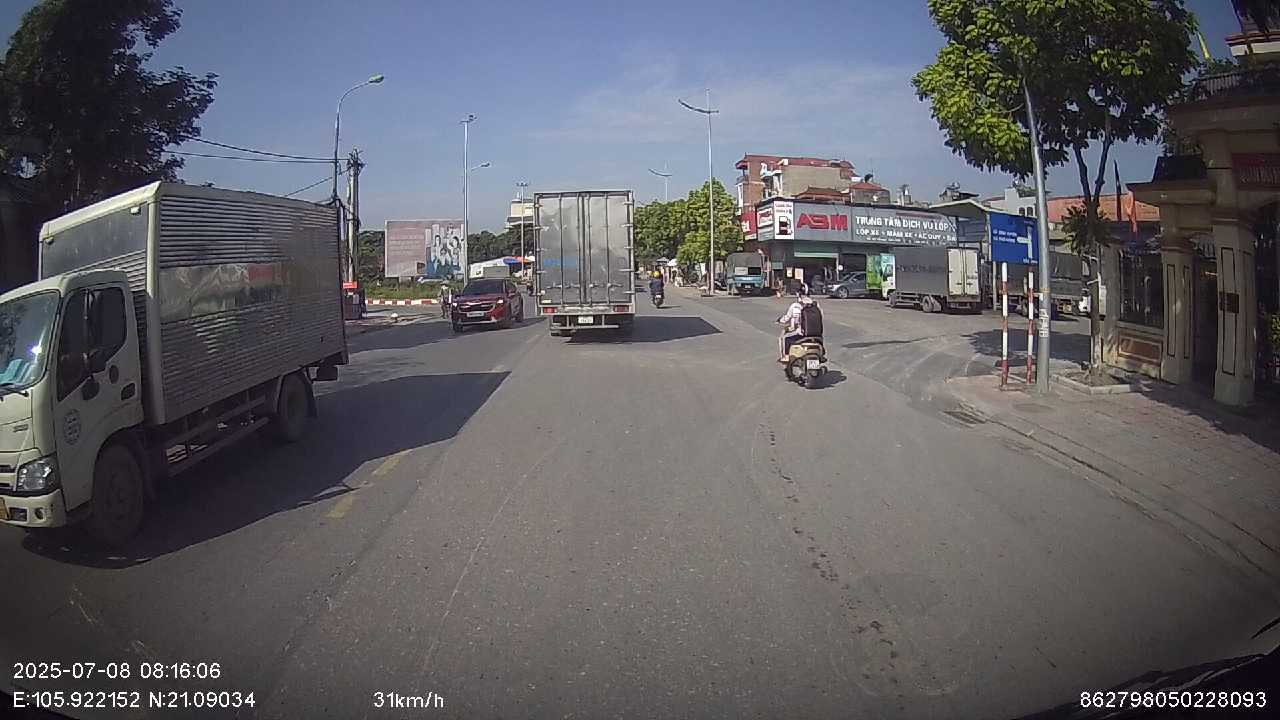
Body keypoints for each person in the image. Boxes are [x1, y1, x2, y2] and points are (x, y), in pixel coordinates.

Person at [777, 288, 821, 361]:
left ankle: (786, 357)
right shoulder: (816, 305)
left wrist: (780, 320)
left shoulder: (795, 305)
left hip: (802, 333)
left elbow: (787, 318)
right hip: (817, 335)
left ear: (798, 294)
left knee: (785, 338)